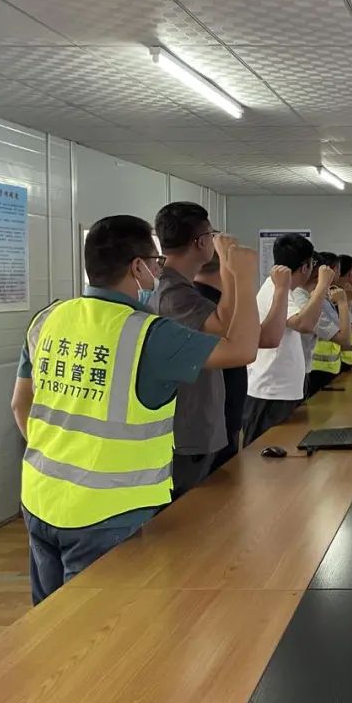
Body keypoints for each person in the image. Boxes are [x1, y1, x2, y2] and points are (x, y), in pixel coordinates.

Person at [10, 215, 260, 604]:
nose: (159, 272)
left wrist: (58, 461)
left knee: (50, 620)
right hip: (106, 514)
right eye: (156, 263)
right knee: (101, 624)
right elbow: (242, 350)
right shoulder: (149, 335)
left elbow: (19, 404)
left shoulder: (49, 318)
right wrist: (241, 276)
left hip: (39, 497)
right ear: (138, 267)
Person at [152, 202, 245, 496]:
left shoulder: (177, 287)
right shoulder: (173, 293)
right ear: (201, 242)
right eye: (212, 235)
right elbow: (227, 328)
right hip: (187, 429)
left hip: (195, 423)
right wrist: (233, 268)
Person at [243, 233, 335, 444]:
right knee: (263, 454)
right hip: (270, 392)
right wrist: (323, 286)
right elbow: (304, 324)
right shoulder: (275, 289)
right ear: (305, 267)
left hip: (281, 390)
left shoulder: (286, 290)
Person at [194, 254, 250, 472]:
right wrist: (242, 279)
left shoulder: (198, 297)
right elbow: (256, 344)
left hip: (220, 416)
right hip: (214, 420)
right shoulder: (205, 303)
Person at [293, 251, 351, 398]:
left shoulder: (315, 297)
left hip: (304, 371)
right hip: (304, 372)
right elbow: (345, 339)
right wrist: (343, 302)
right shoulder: (304, 299)